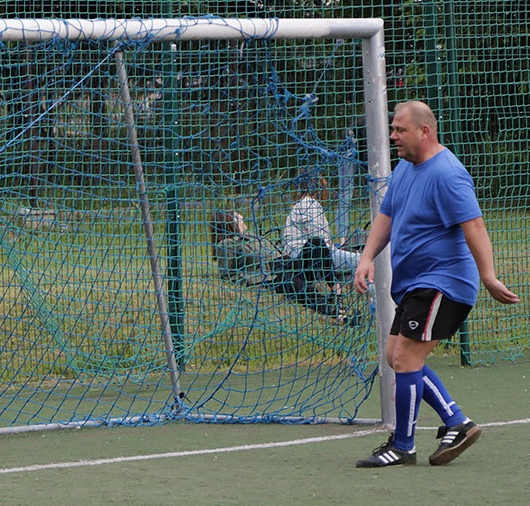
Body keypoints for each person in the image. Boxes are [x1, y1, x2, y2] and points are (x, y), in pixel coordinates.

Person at [354, 101, 519, 468]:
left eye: (399, 130)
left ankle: (402, 446)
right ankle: (456, 422)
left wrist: (488, 276)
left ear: (424, 131)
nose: (393, 136)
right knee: (395, 356)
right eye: (393, 129)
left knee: (406, 357)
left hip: (443, 282)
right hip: (417, 284)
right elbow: (387, 215)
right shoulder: (405, 169)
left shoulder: (447, 173)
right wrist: (366, 258)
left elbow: (474, 226)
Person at [213, 211, 355, 324]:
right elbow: (228, 275)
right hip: (272, 272)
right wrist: (253, 279)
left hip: (287, 262)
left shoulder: (252, 235)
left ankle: (336, 293)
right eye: (238, 217)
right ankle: (336, 314)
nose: (242, 218)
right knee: (295, 284)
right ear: (229, 223)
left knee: (316, 242)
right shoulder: (227, 244)